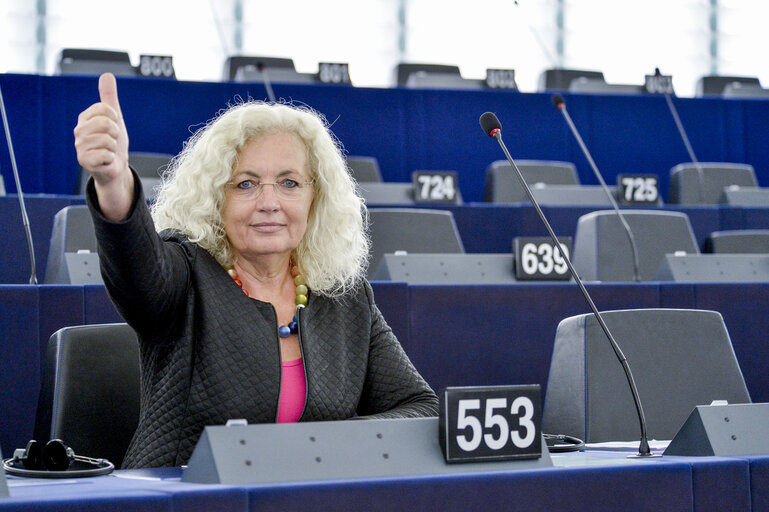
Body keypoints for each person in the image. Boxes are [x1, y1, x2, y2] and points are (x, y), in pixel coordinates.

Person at [73, 73, 438, 469]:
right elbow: (138, 274)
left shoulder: (345, 298)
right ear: (216, 197)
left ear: (316, 197)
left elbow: (419, 407)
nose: (269, 202)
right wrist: (113, 184)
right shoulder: (185, 274)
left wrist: (333, 443)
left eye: (289, 182)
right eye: (245, 184)